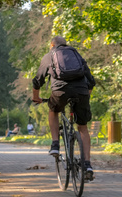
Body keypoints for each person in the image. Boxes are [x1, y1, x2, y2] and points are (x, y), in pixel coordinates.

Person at [32, 36, 96, 180]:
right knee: (83, 127)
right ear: (65, 44)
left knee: (53, 110)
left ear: (52, 45)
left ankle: (55, 144)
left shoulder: (50, 56)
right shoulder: (75, 54)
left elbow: (38, 80)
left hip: (60, 91)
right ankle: (87, 165)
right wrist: (85, 96)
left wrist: (36, 97)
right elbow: (91, 81)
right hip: (81, 91)